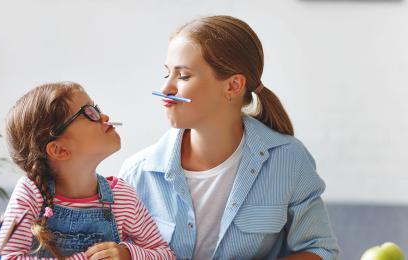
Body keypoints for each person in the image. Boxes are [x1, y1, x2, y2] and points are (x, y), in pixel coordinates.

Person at [119, 16, 340, 259]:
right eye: (167, 74)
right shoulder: (136, 174)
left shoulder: (289, 160)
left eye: (183, 76)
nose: (166, 90)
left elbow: (321, 250)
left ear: (233, 86)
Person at [0, 82, 175, 260]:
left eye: (96, 109)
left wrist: (128, 254)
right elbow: (7, 257)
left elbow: (165, 255)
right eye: (89, 113)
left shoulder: (122, 196)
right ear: (59, 150)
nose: (104, 116)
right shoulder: (30, 193)